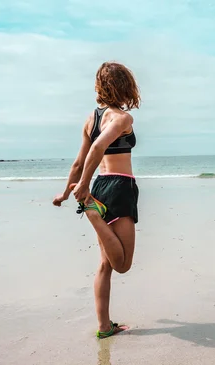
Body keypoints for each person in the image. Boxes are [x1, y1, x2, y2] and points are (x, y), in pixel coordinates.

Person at [53, 61, 141, 339]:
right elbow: (98, 147)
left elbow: (79, 161)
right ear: (124, 86)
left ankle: (104, 327)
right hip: (118, 187)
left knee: (105, 265)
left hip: (100, 187)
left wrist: (67, 192)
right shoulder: (122, 119)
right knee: (122, 265)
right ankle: (91, 213)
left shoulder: (91, 119)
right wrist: (83, 189)